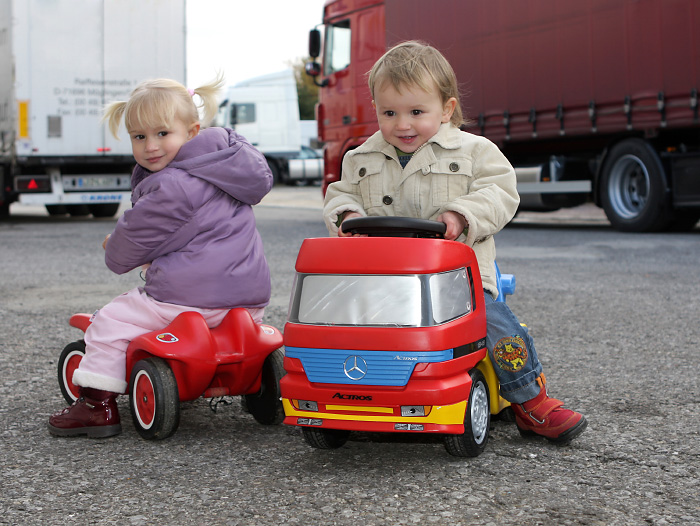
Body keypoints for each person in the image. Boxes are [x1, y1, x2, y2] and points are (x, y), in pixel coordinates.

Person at [323, 41, 587, 444]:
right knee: (329, 321)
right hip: (382, 280)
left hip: (459, 281)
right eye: (389, 112)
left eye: (416, 112)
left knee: (495, 325)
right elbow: (339, 195)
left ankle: (530, 399)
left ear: (445, 109)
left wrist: (461, 215)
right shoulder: (360, 157)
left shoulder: (475, 151)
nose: (402, 124)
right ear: (375, 108)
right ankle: (335, 394)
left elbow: (501, 192)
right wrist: (348, 216)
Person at [48, 75, 274, 438]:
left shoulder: (172, 184)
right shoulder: (228, 168)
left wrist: (113, 244)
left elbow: (127, 250)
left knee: (112, 321)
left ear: (192, 131)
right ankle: (261, 386)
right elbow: (193, 232)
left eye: (162, 134)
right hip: (248, 301)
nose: (151, 146)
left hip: (190, 298)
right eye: (139, 137)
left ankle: (93, 406)